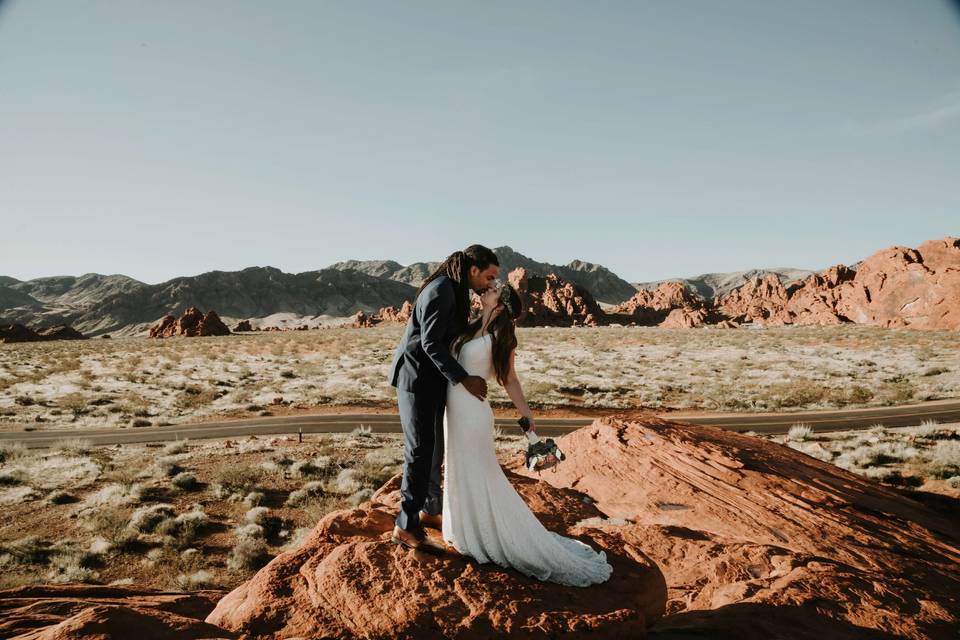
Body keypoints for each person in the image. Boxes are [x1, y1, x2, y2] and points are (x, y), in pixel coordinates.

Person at [441, 281, 613, 586]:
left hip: (473, 415)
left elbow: (510, 379)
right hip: (452, 413)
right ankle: (466, 529)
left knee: (480, 472)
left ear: (502, 304)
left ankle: (493, 536)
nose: (486, 290)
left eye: (493, 290)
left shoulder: (501, 337)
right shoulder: (468, 328)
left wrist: (526, 413)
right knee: (459, 468)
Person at [387, 245, 499, 553]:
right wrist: (464, 378)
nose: (490, 283)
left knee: (433, 451)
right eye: (488, 276)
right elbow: (431, 344)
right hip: (416, 381)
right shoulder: (442, 290)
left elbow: (456, 338)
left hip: (432, 381)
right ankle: (405, 526)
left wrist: (488, 311)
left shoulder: (455, 290)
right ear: (473, 269)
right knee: (420, 452)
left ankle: (430, 510)